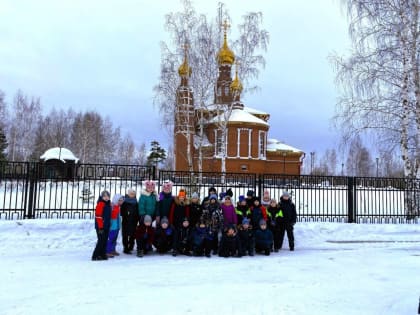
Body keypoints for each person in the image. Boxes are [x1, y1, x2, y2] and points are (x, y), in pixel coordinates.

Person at [92, 191, 112, 261]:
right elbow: (98, 216)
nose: (106, 197)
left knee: (105, 241)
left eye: (107, 196)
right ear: (102, 197)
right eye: (104, 196)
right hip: (100, 227)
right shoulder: (100, 204)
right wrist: (100, 227)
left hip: (106, 226)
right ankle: (95, 255)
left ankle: (102, 254)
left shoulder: (108, 204)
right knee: (101, 241)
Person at [120, 188, 139, 254]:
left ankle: (131, 246)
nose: (132, 195)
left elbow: (137, 211)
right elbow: (121, 212)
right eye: (131, 193)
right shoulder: (124, 202)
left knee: (132, 235)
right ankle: (125, 247)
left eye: (133, 194)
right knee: (125, 235)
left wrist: (137, 218)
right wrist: (126, 213)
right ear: (128, 194)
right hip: (126, 221)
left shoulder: (136, 202)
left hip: (134, 221)